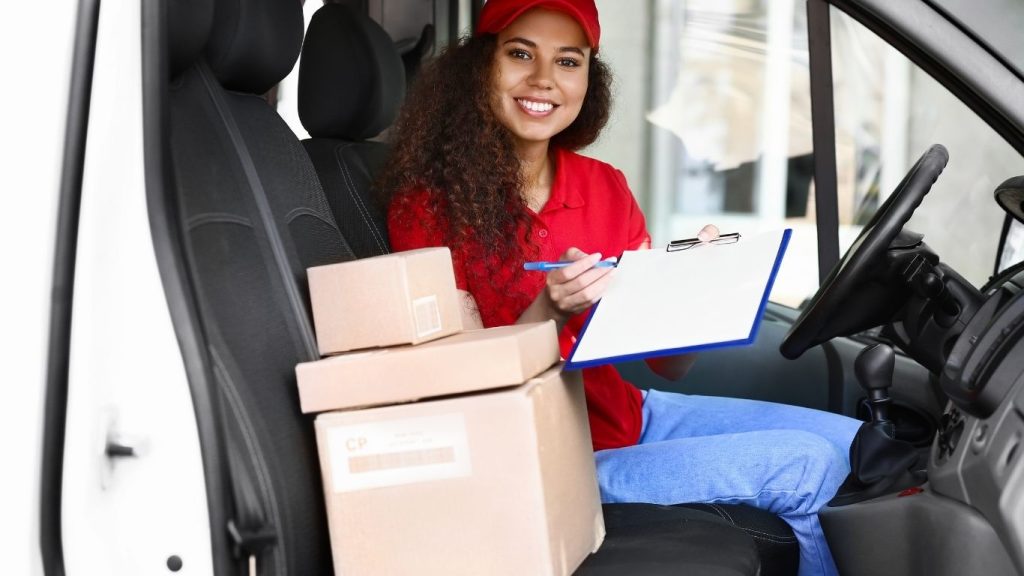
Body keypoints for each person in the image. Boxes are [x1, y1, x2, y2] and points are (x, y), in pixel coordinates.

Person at [379, 1, 861, 574]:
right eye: (520, 54)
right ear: (480, 66)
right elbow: (460, 397)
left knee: (861, 444)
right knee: (807, 465)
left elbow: (669, 365)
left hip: (634, 416)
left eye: (568, 61)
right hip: (551, 460)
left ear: (590, 79)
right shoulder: (427, 207)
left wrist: (696, 291)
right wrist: (548, 311)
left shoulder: (605, 186)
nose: (544, 79)